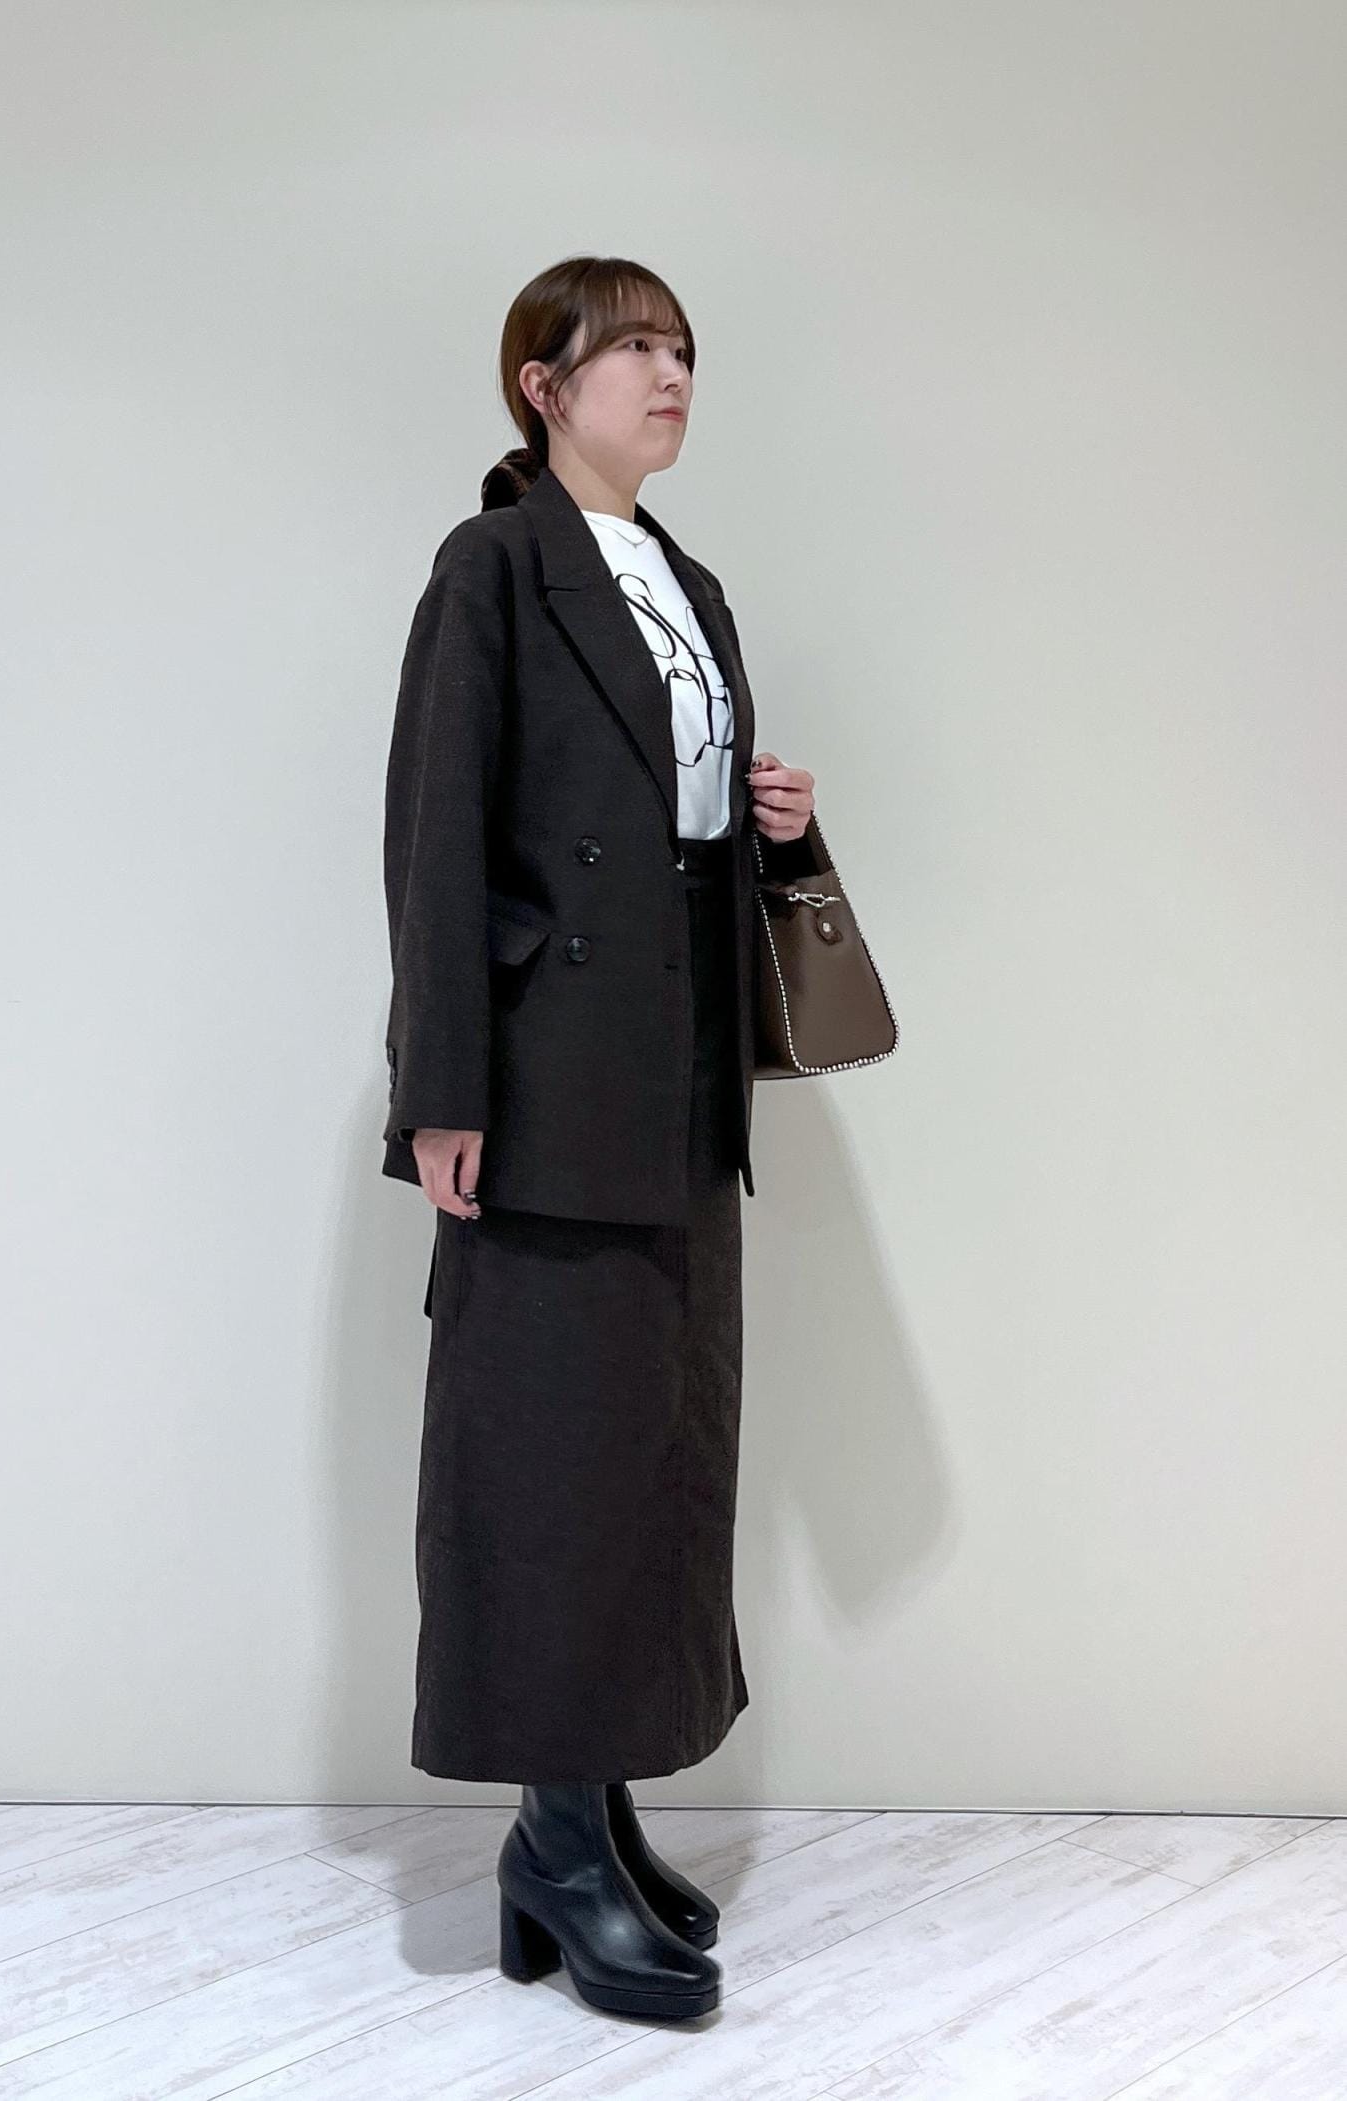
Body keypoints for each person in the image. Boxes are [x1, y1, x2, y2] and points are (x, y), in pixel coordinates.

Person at [379, 254, 824, 2021]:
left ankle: (593, 1813)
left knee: (656, 1451)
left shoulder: (689, 585)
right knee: (555, 1458)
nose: (671, 372)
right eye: (633, 345)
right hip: (550, 1088)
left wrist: (772, 819)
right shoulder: (491, 567)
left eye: (684, 347)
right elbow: (434, 835)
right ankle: (556, 1843)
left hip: (681, 1081)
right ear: (543, 385)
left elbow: (673, 829)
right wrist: (442, 1089)